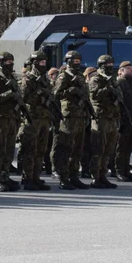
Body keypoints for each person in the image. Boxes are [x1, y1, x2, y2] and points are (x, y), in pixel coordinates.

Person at [52, 50, 92, 190]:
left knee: (78, 149)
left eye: (79, 61)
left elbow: (86, 95)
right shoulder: (64, 77)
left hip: (80, 116)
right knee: (66, 148)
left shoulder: (80, 76)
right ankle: (64, 177)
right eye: (75, 61)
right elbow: (56, 95)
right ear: (68, 62)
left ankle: (74, 176)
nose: (77, 63)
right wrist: (71, 91)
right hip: (68, 117)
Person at [0, 51, 25, 192]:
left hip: (12, 118)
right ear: (1, 63)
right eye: (8, 62)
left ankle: (5, 175)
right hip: (0, 119)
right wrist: (8, 94)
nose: (11, 64)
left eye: (12, 61)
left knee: (9, 150)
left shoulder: (12, 77)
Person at [17, 51, 53, 191]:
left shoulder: (44, 79)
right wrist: (39, 94)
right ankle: (28, 178)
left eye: (44, 62)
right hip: (32, 118)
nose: (43, 65)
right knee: (30, 150)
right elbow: (25, 98)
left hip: (44, 117)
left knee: (41, 150)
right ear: (34, 63)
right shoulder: (28, 79)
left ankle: (36, 177)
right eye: (40, 63)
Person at [87, 55, 122, 189]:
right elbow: (95, 95)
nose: (110, 67)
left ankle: (103, 175)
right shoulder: (96, 79)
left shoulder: (112, 79)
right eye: (107, 65)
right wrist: (108, 88)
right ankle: (95, 176)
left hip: (112, 117)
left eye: (111, 64)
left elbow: (119, 95)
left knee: (109, 149)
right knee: (99, 149)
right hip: (100, 118)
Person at [114, 61, 132, 182]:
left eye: (131, 68)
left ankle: (126, 170)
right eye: (127, 69)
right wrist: (120, 121)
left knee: (129, 147)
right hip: (124, 120)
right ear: (120, 71)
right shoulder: (119, 83)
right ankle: (120, 171)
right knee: (121, 147)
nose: (130, 70)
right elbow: (119, 103)